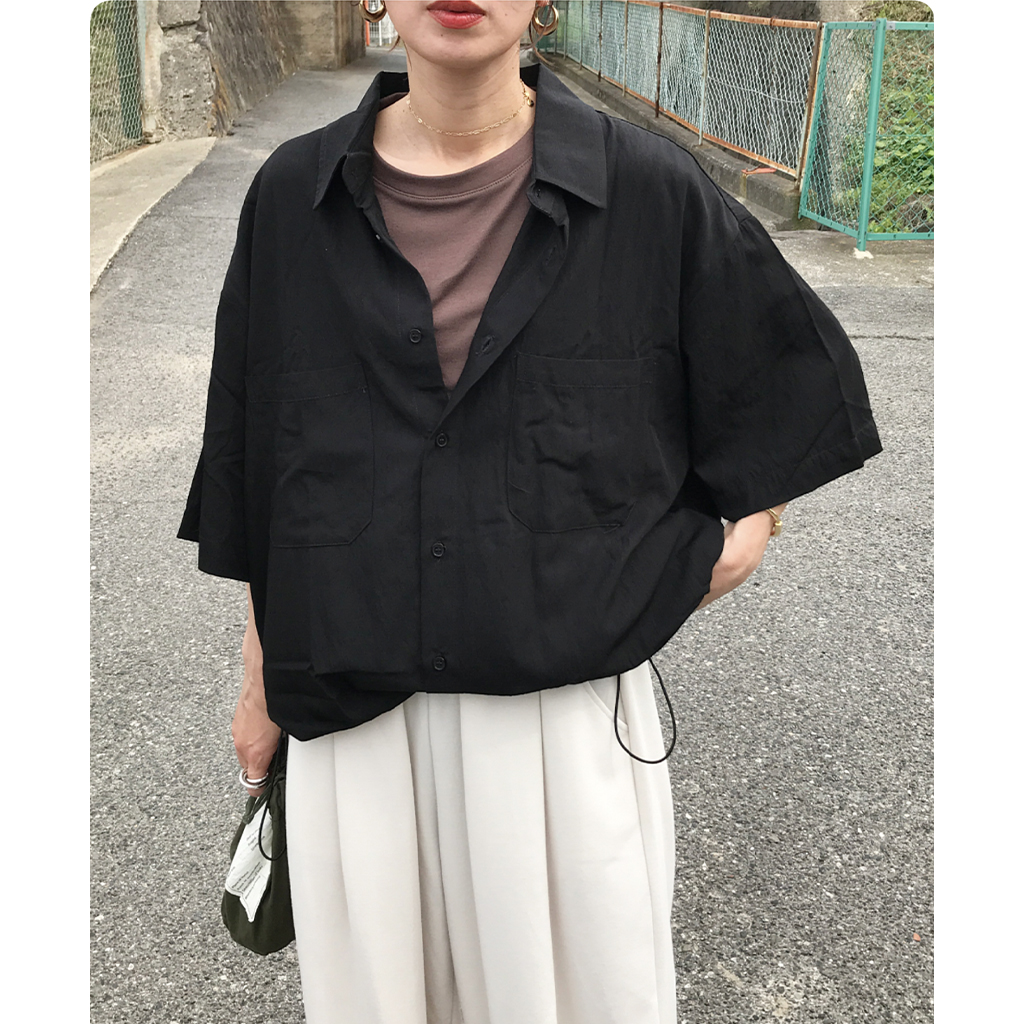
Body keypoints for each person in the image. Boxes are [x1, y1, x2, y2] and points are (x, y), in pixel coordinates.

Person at [178, 1, 882, 1021]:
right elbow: (262, 464)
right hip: (349, 718)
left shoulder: (645, 187)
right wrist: (258, 682)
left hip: (561, 727)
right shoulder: (294, 195)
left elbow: (778, 378)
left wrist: (748, 530)